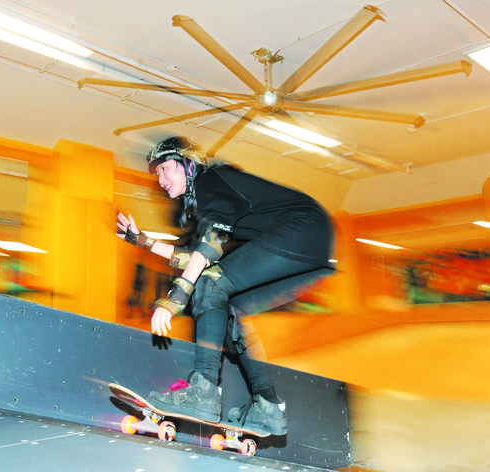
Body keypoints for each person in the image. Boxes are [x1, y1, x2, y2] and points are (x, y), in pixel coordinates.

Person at [116, 136, 334, 435]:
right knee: (229, 310)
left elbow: (207, 251)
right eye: (157, 174)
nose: (160, 179)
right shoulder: (211, 203)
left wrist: (175, 299)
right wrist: (141, 240)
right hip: (310, 244)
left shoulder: (211, 181)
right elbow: (192, 257)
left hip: (301, 229)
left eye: (165, 168)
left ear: (188, 165)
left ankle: (203, 391)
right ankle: (268, 407)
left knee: (209, 284)